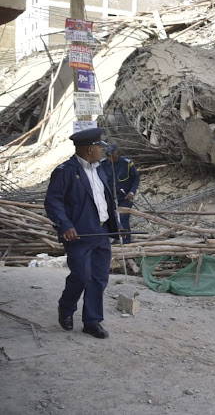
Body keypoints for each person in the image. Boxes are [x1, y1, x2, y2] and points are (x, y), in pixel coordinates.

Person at [45, 128, 121, 339]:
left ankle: (92, 321)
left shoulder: (100, 169)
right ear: (90, 149)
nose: (102, 151)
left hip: (102, 232)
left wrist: (115, 223)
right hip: (79, 234)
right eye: (99, 147)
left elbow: (105, 199)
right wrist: (65, 225)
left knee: (98, 278)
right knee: (81, 276)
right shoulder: (65, 171)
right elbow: (53, 201)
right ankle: (66, 308)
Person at [101, 143, 140, 244]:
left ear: (117, 153)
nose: (109, 159)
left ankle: (126, 242)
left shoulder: (127, 164)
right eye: (108, 156)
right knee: (109, 218)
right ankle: (114, 239)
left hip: (125, 198)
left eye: (111, 156)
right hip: (109, 198)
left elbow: (136, 179)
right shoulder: (103, 164)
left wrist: (132, 192)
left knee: (123, 219)